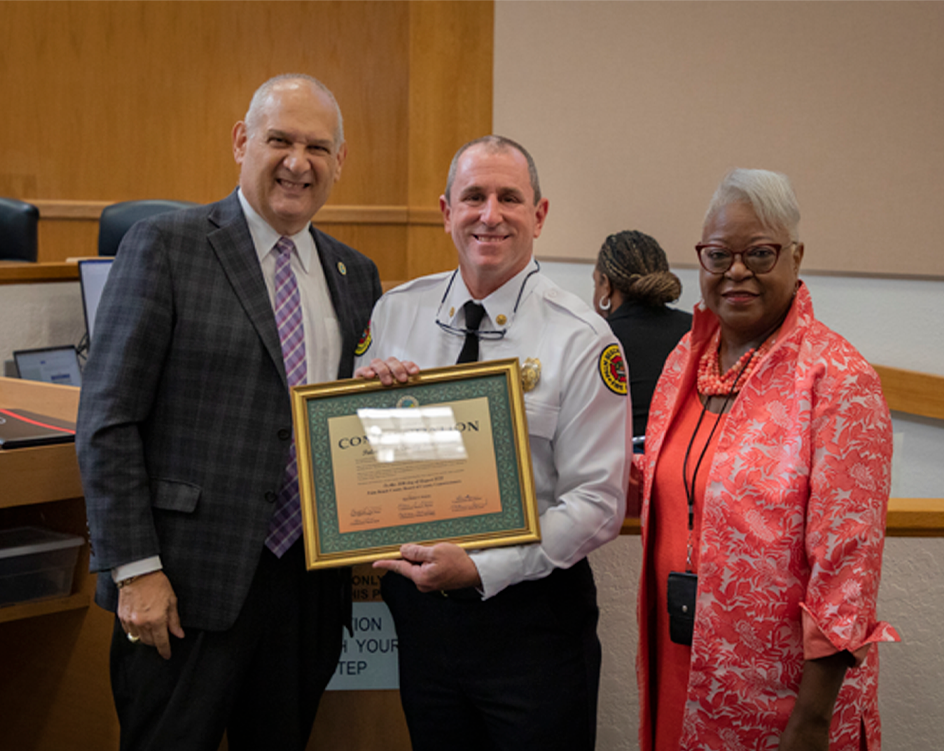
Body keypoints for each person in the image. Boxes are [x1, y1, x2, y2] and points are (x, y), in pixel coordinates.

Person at [75, 74, 382, 751]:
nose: (298, 162)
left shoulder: (354, 274)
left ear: (340, 161)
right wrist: (134, 568)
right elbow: (107, 420)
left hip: (305, 587)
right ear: (243, 141)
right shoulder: (167, 246)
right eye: (280, 140)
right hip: (183, 585)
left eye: (317, 147)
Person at [354, 135, 630, 751]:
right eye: (473, 196)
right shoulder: (395, 312)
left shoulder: (583, 338)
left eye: (510, 198)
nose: (490, 214)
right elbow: (364, 465)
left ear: (539, 214)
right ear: (445, 209)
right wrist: (363, 410)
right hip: (422, 623)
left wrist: (481, 569)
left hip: (532, 625)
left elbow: (598, 503)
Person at [636, 168, 899, 750]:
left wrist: (809, 725)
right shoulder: (689, 356)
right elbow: (668, 474)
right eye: (718, 253)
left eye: (759, 252)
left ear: (797, 256)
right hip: (681, 668)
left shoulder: (837, 379)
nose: (736, 271)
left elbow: (847, 574)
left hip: (780, 699)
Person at [593, 230, 692, 441]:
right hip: (687, 464)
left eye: (595, 283)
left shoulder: (596, 339)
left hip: (620, 468)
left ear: (606, 284)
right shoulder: (696, 332)